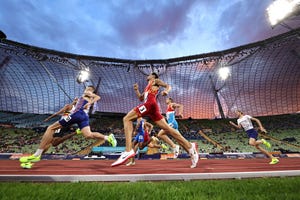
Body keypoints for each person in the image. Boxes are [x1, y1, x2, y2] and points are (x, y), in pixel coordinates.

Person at [111, 72, 198, 168]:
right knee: (168, 129)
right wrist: (136, 90)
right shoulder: (147, 87)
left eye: (150, 74)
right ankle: (190, 146)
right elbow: (141, 98)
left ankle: (128, 151)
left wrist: (166, 91)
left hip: (150, 104)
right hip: (152, 109)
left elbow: (167, 86)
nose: (147, 75)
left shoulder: (155, 81)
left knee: (127, 119)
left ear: (153, 76)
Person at [20, 86, 117, 168]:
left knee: (50, 128)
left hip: (76, 115)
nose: (85, 89)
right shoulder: (84, 99)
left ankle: (37, 155)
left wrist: (89, 100)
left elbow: (97, 97)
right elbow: (95, 98)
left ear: (90, 89)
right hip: (84, 117)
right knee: (88, 135)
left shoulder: (87, 92)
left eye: (87, 87)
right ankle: (107, 137)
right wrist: (84, 102)